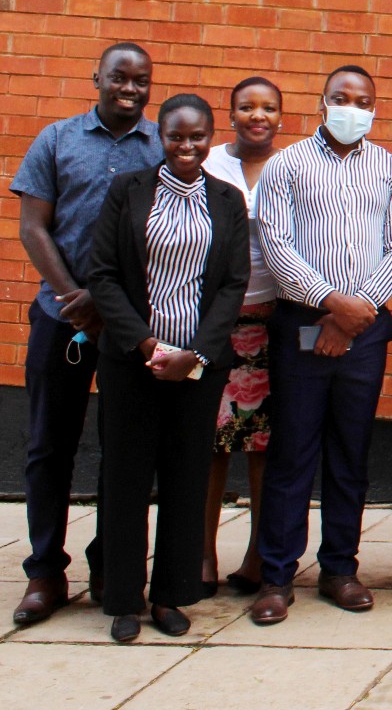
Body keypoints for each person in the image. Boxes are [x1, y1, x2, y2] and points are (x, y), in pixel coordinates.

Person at [252, 64, 392, 624]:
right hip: (300, 323)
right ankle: (276, 575)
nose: (352, 107)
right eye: (341, 98)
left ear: (375, 108)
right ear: (322, 103)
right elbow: (275, 244)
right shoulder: (286, 165)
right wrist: (328, 303)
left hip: (364, 332)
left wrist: (350, 315)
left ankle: (340, 568)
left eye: (363, 100)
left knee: (350, 453)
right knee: (292, 451)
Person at [86, 94, 249, 641]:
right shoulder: (126, 191)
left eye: (197, 137)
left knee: (186, 477)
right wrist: (147, 345)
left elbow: (232, 285)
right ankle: (125, 599)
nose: (187, 147)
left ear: (210, 138)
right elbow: (102, 274)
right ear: (161, 136)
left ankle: (170, 596)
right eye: (176, 137)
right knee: (126, 478)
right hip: (132, 362)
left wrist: (195, 354)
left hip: (199, 366)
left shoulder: (227, 201)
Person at [10, 42, 158, 626]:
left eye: (141, 80)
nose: (130, 88)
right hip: (60, 318)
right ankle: (45, 570)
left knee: (123, 451)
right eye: (120, 77)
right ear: (97, 75)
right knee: (49, 446)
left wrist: (107, 301)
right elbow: (32, 226)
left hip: (130, 324)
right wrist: (75, 299)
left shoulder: (162, 144)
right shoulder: (56, 139)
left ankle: (108, 566)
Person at [201, 76, 284, 597]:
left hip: (274, 320)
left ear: (281, 116)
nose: (258, 115)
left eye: (269, 108)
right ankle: (202, 553)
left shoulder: (292, 167)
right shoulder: (208, 162)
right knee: (209, 444)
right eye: (247, 107)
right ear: (230, 114)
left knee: (263, 446)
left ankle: (258, 554)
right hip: (213, 324)